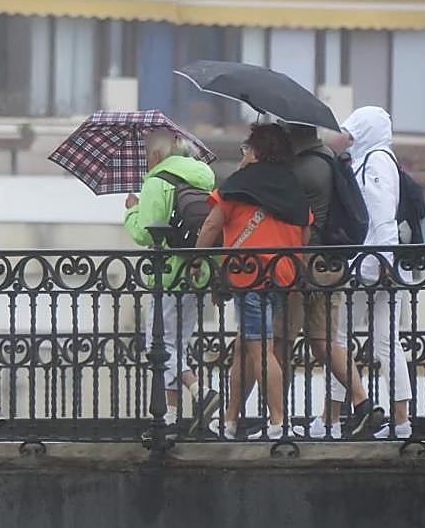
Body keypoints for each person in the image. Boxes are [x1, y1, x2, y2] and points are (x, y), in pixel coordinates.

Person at [195, 123, 311, 441]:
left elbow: (210, 226)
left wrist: (196, 259)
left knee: (260, 349)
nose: (243, 155)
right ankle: (230, 421)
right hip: (280, 276)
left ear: (257, 152)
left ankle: (277, 422)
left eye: (245, 149)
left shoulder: (237, 185)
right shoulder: (292, 187)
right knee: (244, 350)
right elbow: (305, 234)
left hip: (249, 276)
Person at [284, 123, 384, 440]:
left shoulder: (300, 169)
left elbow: (284, 211)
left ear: (293, 135)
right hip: (333, 264)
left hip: (302, 265)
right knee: (326, 341)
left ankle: (278, 419)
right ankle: (363, 402)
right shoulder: (331, 158)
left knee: (279, 341)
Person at [123, 129, 220, 434]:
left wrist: (132, 210)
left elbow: (145, 233)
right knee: (176, 343)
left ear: (156, 155)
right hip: (197, 271)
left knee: (159, 344)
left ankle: (199, 391)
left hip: (168, 274)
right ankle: (170, 419)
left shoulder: (157, 181)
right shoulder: (204, 176)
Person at [333, 107, 414, 439]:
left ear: (366, 132)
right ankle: (401, 422)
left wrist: (385, 263)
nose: (349, 138)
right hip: (380, 266)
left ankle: (331, 421)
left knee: (336, 340)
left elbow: (382, 218)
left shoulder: (376, 161)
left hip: (370, 268)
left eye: (354, 131)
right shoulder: (380, 158)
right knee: (386, 342)